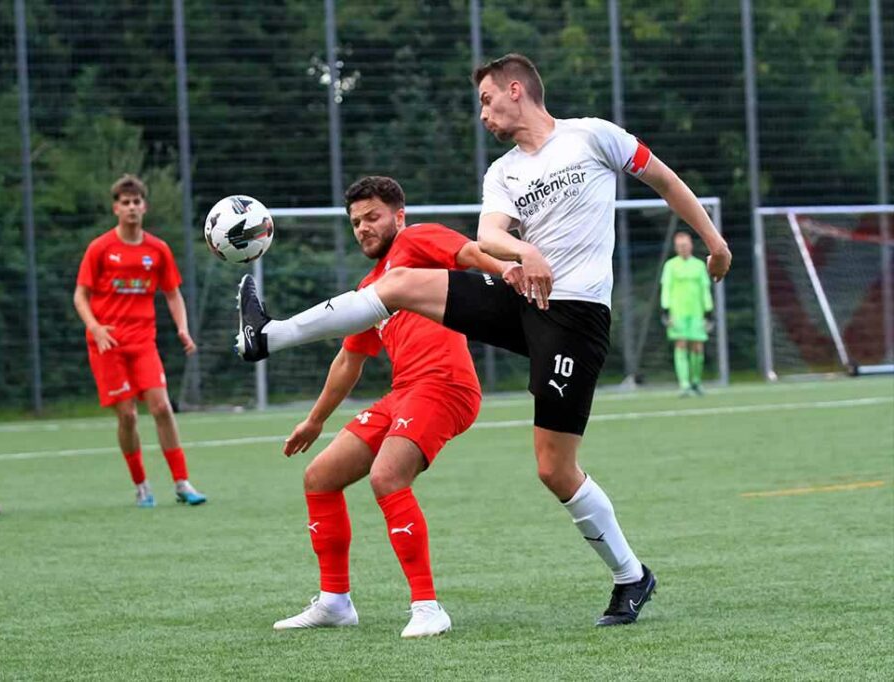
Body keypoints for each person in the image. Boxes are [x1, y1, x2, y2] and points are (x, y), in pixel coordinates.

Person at [236, 54, 732, 626]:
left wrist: (714, 243)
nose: (482, 114)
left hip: (574, 319)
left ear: (514, 90)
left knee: (554, 468)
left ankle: (631, 576)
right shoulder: (503, 173)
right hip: (519, 296)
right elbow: (489, 235)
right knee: (395, 284)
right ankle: (267, 337)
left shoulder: (593, 136)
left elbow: (665, 180)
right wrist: (522, 252)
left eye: (486, 101)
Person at [271, 176, 516, 639]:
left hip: (445, 385)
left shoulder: (416, 239)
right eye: (356, 222)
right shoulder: (370, 289)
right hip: (403, 392)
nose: (363, 228)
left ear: (398, 216)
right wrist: (314, 420)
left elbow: (468, 253)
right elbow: (349, 360)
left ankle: (428, 607)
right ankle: (335, 602)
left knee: (387, 477)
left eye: (372, 217)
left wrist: (511, 273)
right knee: (320, 478)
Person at [74, 174, 206, 508]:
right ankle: (142, 486)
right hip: (107, 345)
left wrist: (182, 328)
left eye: (136, 202)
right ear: (116, 208)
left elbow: (172, 294)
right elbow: (80, 295)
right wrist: (96, 327)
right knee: (128, 416)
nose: (132, 208)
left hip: (143, 342)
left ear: (144, 207)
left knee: (162, 407)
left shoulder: (157, 249)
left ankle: (182, 483)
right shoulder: (100, 248)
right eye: (125, 203)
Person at [661, 231, 714, 395]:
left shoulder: (699, 265)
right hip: (678, 312)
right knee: (681, 343)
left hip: (697, 312)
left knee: (697, 346)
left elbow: (705, 289)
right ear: (676, 248)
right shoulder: (670, 265)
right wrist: (666, 310)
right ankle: (684, 384)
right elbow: (666, 288)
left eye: (685, 245)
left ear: (690, 245)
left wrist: (708, 311)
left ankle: (696, 381)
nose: (682, 248)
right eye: (679, 246)